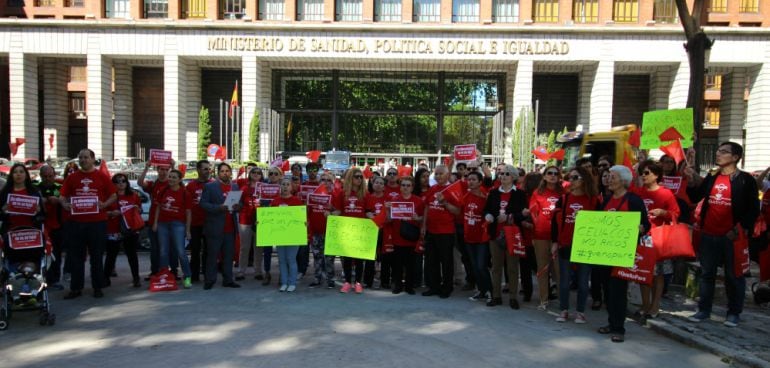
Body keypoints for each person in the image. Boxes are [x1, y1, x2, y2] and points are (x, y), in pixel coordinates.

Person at [686, 142, 759, 327]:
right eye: (718, 150)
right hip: (709, 234)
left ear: (735, 157)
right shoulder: (712, 177)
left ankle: (733, 313)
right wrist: (691, 180)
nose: (718, 154)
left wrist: (739, 228)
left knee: (734, 276)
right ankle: (704, 310)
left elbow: (753, 209)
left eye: (723, 152)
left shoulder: (745, 180)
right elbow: (695, 197)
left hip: (732, 237)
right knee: (707, 274)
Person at [596, 165, 650, 343]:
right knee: (608, 290)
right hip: (604, 252)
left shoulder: (633, 200)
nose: (609, 179)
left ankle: (619, 328)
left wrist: (640, 228)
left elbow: (645, 224)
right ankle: (612, 323)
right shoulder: (606, 200)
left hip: (622, 253)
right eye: (609, 176)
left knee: (618, 290)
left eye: (613, 176)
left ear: (624, 181)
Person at [60, 149, 117, 299]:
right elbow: (62, 196)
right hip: (76, 223)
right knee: (76, 257)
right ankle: (76, 288)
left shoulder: (102, 176)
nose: (83, 160)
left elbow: (113, 195)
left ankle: (97, 287)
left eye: (86, 157)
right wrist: (65, 204)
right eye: (81, 158)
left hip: (97, 222)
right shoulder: (72, 177)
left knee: (96, 257)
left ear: (93, 159)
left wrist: (104, 205)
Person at [551, 167, 601, 324]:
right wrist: (554, 242)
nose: (571, 180)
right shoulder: (564, 199)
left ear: (584, 179)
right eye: (570, 177)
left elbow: (601, 224)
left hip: (586, 245)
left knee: (583, 280)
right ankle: (564, 310)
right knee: (564, 280)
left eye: (575, 177)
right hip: (566, 243)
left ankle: (580, 312)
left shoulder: (594, 200)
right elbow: (555, 222)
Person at [634, 160, 680, 322]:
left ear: (657, 175)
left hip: (659, 238)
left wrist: (663, 212)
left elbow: (676, 213)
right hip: (641, 238)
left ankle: (655, 305)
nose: (643, 176)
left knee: (658, 274)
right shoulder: (638, 192)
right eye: (641, 172)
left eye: (646, 173)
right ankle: (645, 304)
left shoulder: (666, 193)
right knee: (642, 272)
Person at [483, 164, 526, 309]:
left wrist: (508, 217)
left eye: (507, 174)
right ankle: (496, 296)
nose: (503, 176)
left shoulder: (520, 194)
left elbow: (523, 214)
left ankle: (513, 297)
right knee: (496, 267)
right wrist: (488, 216)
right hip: (495, 234)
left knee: (513, 267)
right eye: (501, 173)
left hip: (512, 235)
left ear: (513, 177)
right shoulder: (494, 192)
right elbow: (487, 209)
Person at [446, 171, 492, 303]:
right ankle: (481, 291)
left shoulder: (485, 197)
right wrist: (445, 203)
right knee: (474, 266)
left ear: (479, 182)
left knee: (481, 265)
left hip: (482, 237)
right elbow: (457, 211)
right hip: (468, 236)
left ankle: (490, 291)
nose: (470, 181)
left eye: (473, 179)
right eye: (468, 179)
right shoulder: (465, 196)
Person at [199, 162, 242, 290]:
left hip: (230, 227)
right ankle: (210, 280)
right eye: (222, 171)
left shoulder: (234, 187)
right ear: (218, 173)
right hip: (215, 227)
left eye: (227, 171)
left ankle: (228, 279)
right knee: (212, 255)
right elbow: (203, 204)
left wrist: (238, 206)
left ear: (230, 173)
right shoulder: (210, 186)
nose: (225, 173)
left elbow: (240, 204)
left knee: (228, 256)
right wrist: (218, 208)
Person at [152, 169, 193, 289]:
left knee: (181, 252)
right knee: (163, 252)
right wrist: (155, 223)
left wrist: (188, 229)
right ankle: (164, 277)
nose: (171, 179)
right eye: (170, 176)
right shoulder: (164, 191)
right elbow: (158, 207)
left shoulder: (185, 193)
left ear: (180, 180)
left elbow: (188, 213)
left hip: (178, 224)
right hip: (162, 224)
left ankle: (187, 276)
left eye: (174, 177)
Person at [530, 165, 563, 310]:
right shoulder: (537, 192)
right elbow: (533, 213)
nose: (553, 176)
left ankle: (563, 301)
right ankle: (544, 300)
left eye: (556, 173)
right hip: (541, 235)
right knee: (542, 268)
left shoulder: (563, 193)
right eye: (549, 173)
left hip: (559, 238)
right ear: (544, 176)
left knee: (559, 270)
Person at [421, 165, 456, 298]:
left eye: (441, 174)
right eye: (436, 174)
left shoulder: (452, 190)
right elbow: (427, 208)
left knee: (446, 261)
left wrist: (445, 203)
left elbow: (457, 211)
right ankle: (434, 287)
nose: (438, 176)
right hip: (431, 230)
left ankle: (447, 287)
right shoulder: (433, 189)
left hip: (446, 231)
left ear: (447, 175)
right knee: (431, 261)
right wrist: (424, 225)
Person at [385, 175, 424, 294]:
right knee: (398, 264)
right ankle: (397, 285)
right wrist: (387, 210)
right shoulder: (394, 201)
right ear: (400, 187)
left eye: (408, 185)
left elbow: (423, 218)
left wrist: (418, 218)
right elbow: (388, 220)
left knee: (410, 264)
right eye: (403, 185)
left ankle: (409, 286)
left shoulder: (418, 201)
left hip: (412, 237)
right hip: (397, 237)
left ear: (412, 187)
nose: (405, 187)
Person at [103, 173, 142, 288]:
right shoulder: (109, 196)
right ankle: (105, 278)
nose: (120, 183)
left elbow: (138, 209)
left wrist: (136, 209)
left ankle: (136, 278)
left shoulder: (133, 195)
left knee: (132, 255)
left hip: (129, 229)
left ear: (127, 182)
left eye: (123, 181)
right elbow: (101, 211)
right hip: (113, 229)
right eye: (117, 181)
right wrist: (110, 213)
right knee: (111, 255)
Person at [332, 168, 368, 294]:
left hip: (360, 229)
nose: (359, 179)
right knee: (346, 258)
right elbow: (339, 210)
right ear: (350, 178)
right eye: (356, 177)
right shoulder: (343, 193)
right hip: (346, 229)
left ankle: (358, 282)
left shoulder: (365, 194)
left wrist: (374, 217)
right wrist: (330, 215)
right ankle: (347, 282)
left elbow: (368, 211)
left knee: (359, 259)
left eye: (360, 177)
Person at [138, 161, 172, 277]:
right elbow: (140, 183)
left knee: (169, 248)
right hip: (154, 221)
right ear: (157, 170)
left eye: (166, 170)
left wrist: (173, 167)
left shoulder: (172, 184)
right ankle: (155, 272)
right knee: (155, 249)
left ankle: (171, 271)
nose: (163, 172)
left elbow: (179, 179)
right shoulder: (153, 184)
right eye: (161, 169)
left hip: (168, 221)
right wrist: (146, 168)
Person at [271, 177, 304, 292]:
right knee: (281, 259)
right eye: (283, 184)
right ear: (280, 186)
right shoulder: (275, 202)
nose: (285, 186)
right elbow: (270, 219)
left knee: (291, 259)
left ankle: (292, 282)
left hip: (293, 235)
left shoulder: (296, 201)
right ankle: (284, 282)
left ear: (291, 187)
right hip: (280, 235)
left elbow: (301, 218)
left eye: (287, 184)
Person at [36, 165, 64, 290]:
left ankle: (55, 279)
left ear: (54, 175)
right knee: (40, 254)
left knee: (56, 254)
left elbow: (67, 199)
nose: (48, 179)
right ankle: (41, 279)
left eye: (50, 176)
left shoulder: (60, 187)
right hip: (40, 226)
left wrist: (58, 200)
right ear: (41, 176)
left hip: (57, 226)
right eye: (45, 176)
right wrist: (46, 200)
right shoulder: (35, 188)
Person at [307, 171, 337, 288]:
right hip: (315, 232)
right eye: (323, 180)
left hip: (330, 232)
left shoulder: (336, 195)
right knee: (317, 257)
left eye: (328, 180)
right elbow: (307, 212)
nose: (325, 182)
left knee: (329, 258)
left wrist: (332, 211)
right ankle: (317, 278)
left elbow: (340, 212)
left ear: (332, 182)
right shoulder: (312, 195)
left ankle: (330, 279)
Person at [186, 160, 213, 283]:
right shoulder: (191, 186)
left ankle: (208, 274)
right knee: (195, 251)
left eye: (208, 169)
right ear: (198, 170)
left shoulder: (213, 184)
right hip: (195, 223)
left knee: (208, 251)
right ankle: (194, 275)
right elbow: (186, 207)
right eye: (205, 169)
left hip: (209, 223)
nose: (207, 171)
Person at [236, 166, 263, 281]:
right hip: (245, 220)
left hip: (260, 221)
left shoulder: (264, 188)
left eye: (258, 173)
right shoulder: (244, 188)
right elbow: (239, 203)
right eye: (254, 172)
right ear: (250, 174)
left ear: (261, 175)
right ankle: (241, 271)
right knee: (244, 247)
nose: (256, 174)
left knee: (258, 248)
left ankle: (258, 271)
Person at [364, 175, 389, 289]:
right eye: (376, 183)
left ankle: (384, 281)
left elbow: (390, 214)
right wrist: (370, 215)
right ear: (372, 184)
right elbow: (366, 211)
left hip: (385, 229)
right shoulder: (368, 197)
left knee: (384, 256)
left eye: (381, 183)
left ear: (384, 187)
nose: (378, 185)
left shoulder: (388, 198)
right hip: (372, 229)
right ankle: (368, 281)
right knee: (370, 256)